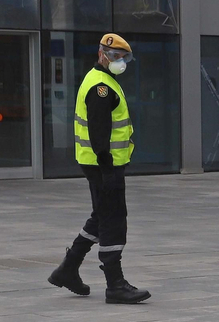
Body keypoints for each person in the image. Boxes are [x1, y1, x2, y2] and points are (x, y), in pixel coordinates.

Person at [47, 34, 153, 303]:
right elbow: (98, 131)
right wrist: (106, 164)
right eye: (117, 56)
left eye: (125, 57)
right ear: (102, 54)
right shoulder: (100, 88)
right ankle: (114, 284)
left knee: (101, 215)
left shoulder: (102, 80)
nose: (121, 62)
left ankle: (68, 269)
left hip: (99, 163)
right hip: (104, 165)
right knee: (113, 219)